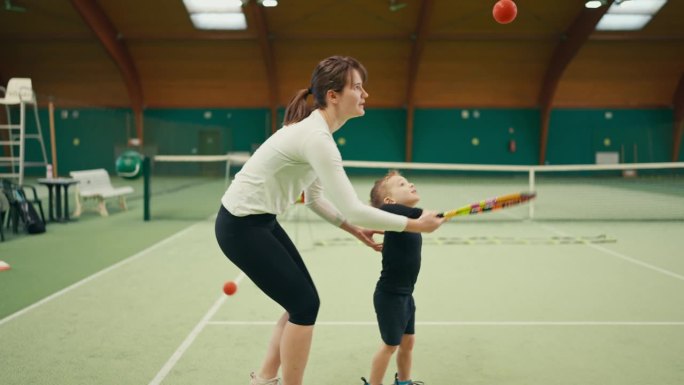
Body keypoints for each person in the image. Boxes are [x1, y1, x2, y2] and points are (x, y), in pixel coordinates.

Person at [214, 56, 445, 385]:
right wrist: (415, 224)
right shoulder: (316, 138)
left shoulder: (316, 133)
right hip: (241, 226)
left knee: (300, 301)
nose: (365, 94)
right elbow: (352, 207)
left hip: (259, 222)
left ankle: (265, 379)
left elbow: (314, 199)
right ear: (333, 95)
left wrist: (354, 230)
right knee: (304, 305)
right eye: (357, 87)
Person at [361, 170, 430, 385]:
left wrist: (374, 229)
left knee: (408, 343)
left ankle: (403, 381)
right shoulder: (394, 213)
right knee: (390, 346)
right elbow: (387, 210)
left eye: (408, 181)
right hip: (390, 296)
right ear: (390, 200)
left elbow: (398, 226)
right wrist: (427, 214)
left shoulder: (404, 222)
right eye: (402, 184)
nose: (410, 184)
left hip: (406, 295)